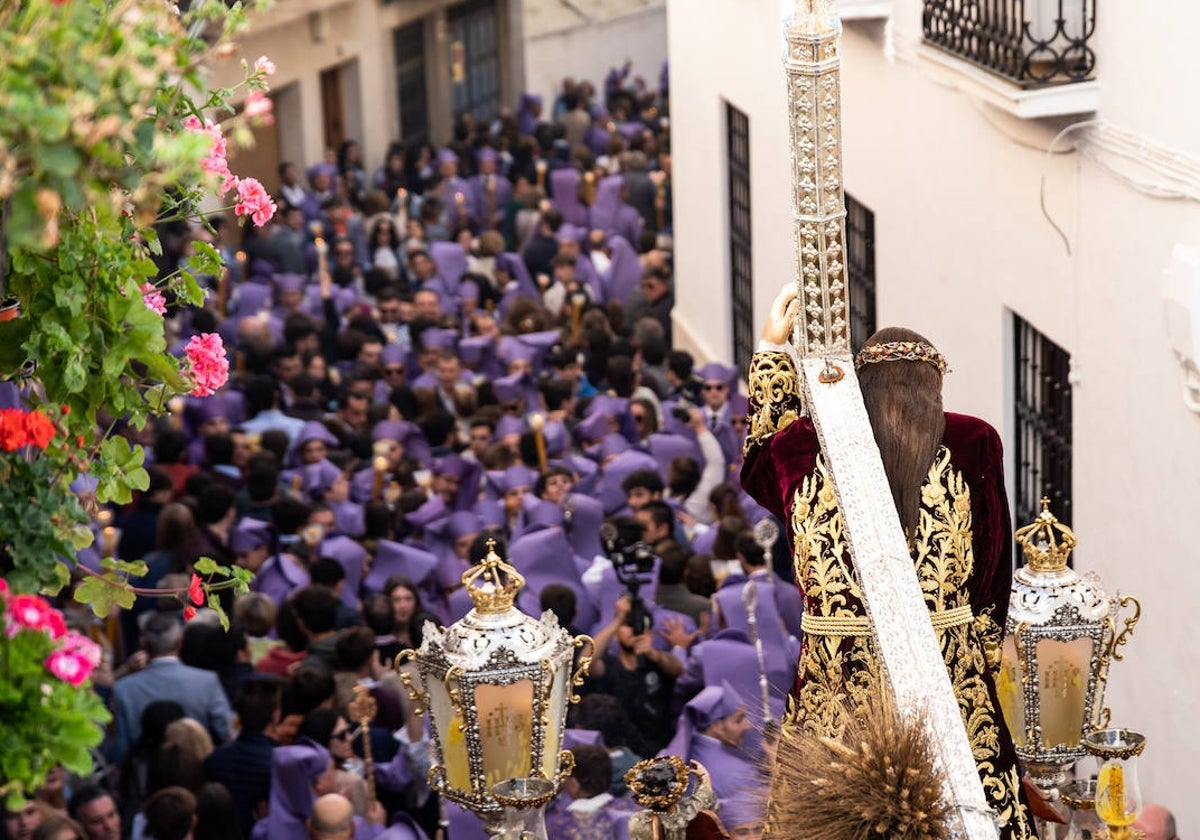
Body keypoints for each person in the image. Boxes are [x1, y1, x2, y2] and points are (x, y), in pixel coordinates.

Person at [740, 286, 1035, 838]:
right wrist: (983, 651)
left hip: (835, 669)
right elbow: (995, 563)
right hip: (946, 664)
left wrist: (772, 350)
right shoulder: (973, 441)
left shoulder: (803, 446)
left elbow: (759, 463)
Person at [109, 613, 234, 765]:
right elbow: (226, 731)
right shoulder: (207, 682)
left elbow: (121, 750)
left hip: (146, 776)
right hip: (197, 771)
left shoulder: (123, 689)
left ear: (143, 643)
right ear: (181, 641)